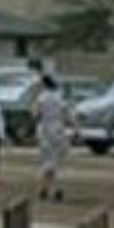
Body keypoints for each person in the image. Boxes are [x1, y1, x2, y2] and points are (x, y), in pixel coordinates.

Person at [32, 74, 73, 202]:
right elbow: (67, 114)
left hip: (45, 129)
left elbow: (35, 113)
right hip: (58, 129)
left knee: (47, 160)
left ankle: (47, 188)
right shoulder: (59, 97)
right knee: (56, 160)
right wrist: (77, 129)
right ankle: (52, 188)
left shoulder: (42, 97)